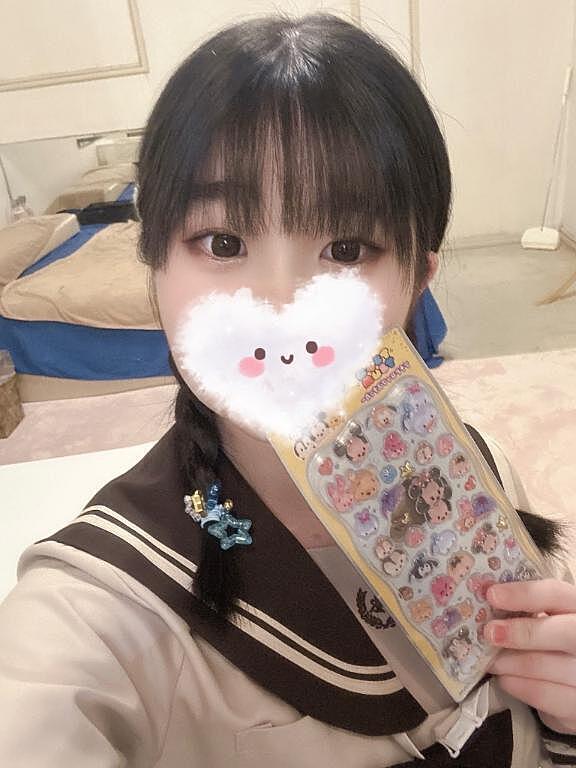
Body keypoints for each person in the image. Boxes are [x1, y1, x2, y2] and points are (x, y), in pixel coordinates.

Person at [1, 13, 575, 767]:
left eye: (346, 247)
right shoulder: (96, 608)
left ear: (419, 279)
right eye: (223, 243)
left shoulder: (481, 469)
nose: (279, 305)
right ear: (155, 269)